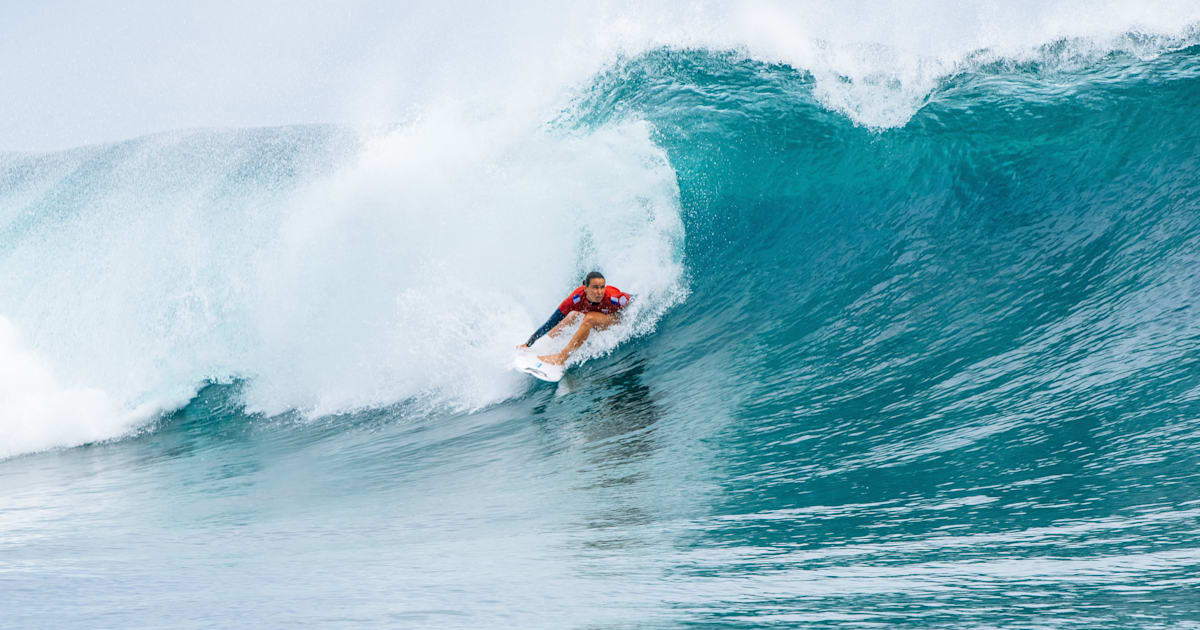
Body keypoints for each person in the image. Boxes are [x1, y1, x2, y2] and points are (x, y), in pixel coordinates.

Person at [519, 271, 632, 366]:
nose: (599, 292)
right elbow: (551, 322)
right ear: (586, 288)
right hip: (597, 314)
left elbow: (635, 301)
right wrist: (529, 343)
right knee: (572, 315)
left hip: (615, 319)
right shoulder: (575, 299)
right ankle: (546, 341)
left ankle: (561, 357)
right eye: (595, 288)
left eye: (602, 287)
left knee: (589, 318)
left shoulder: (614, 297)